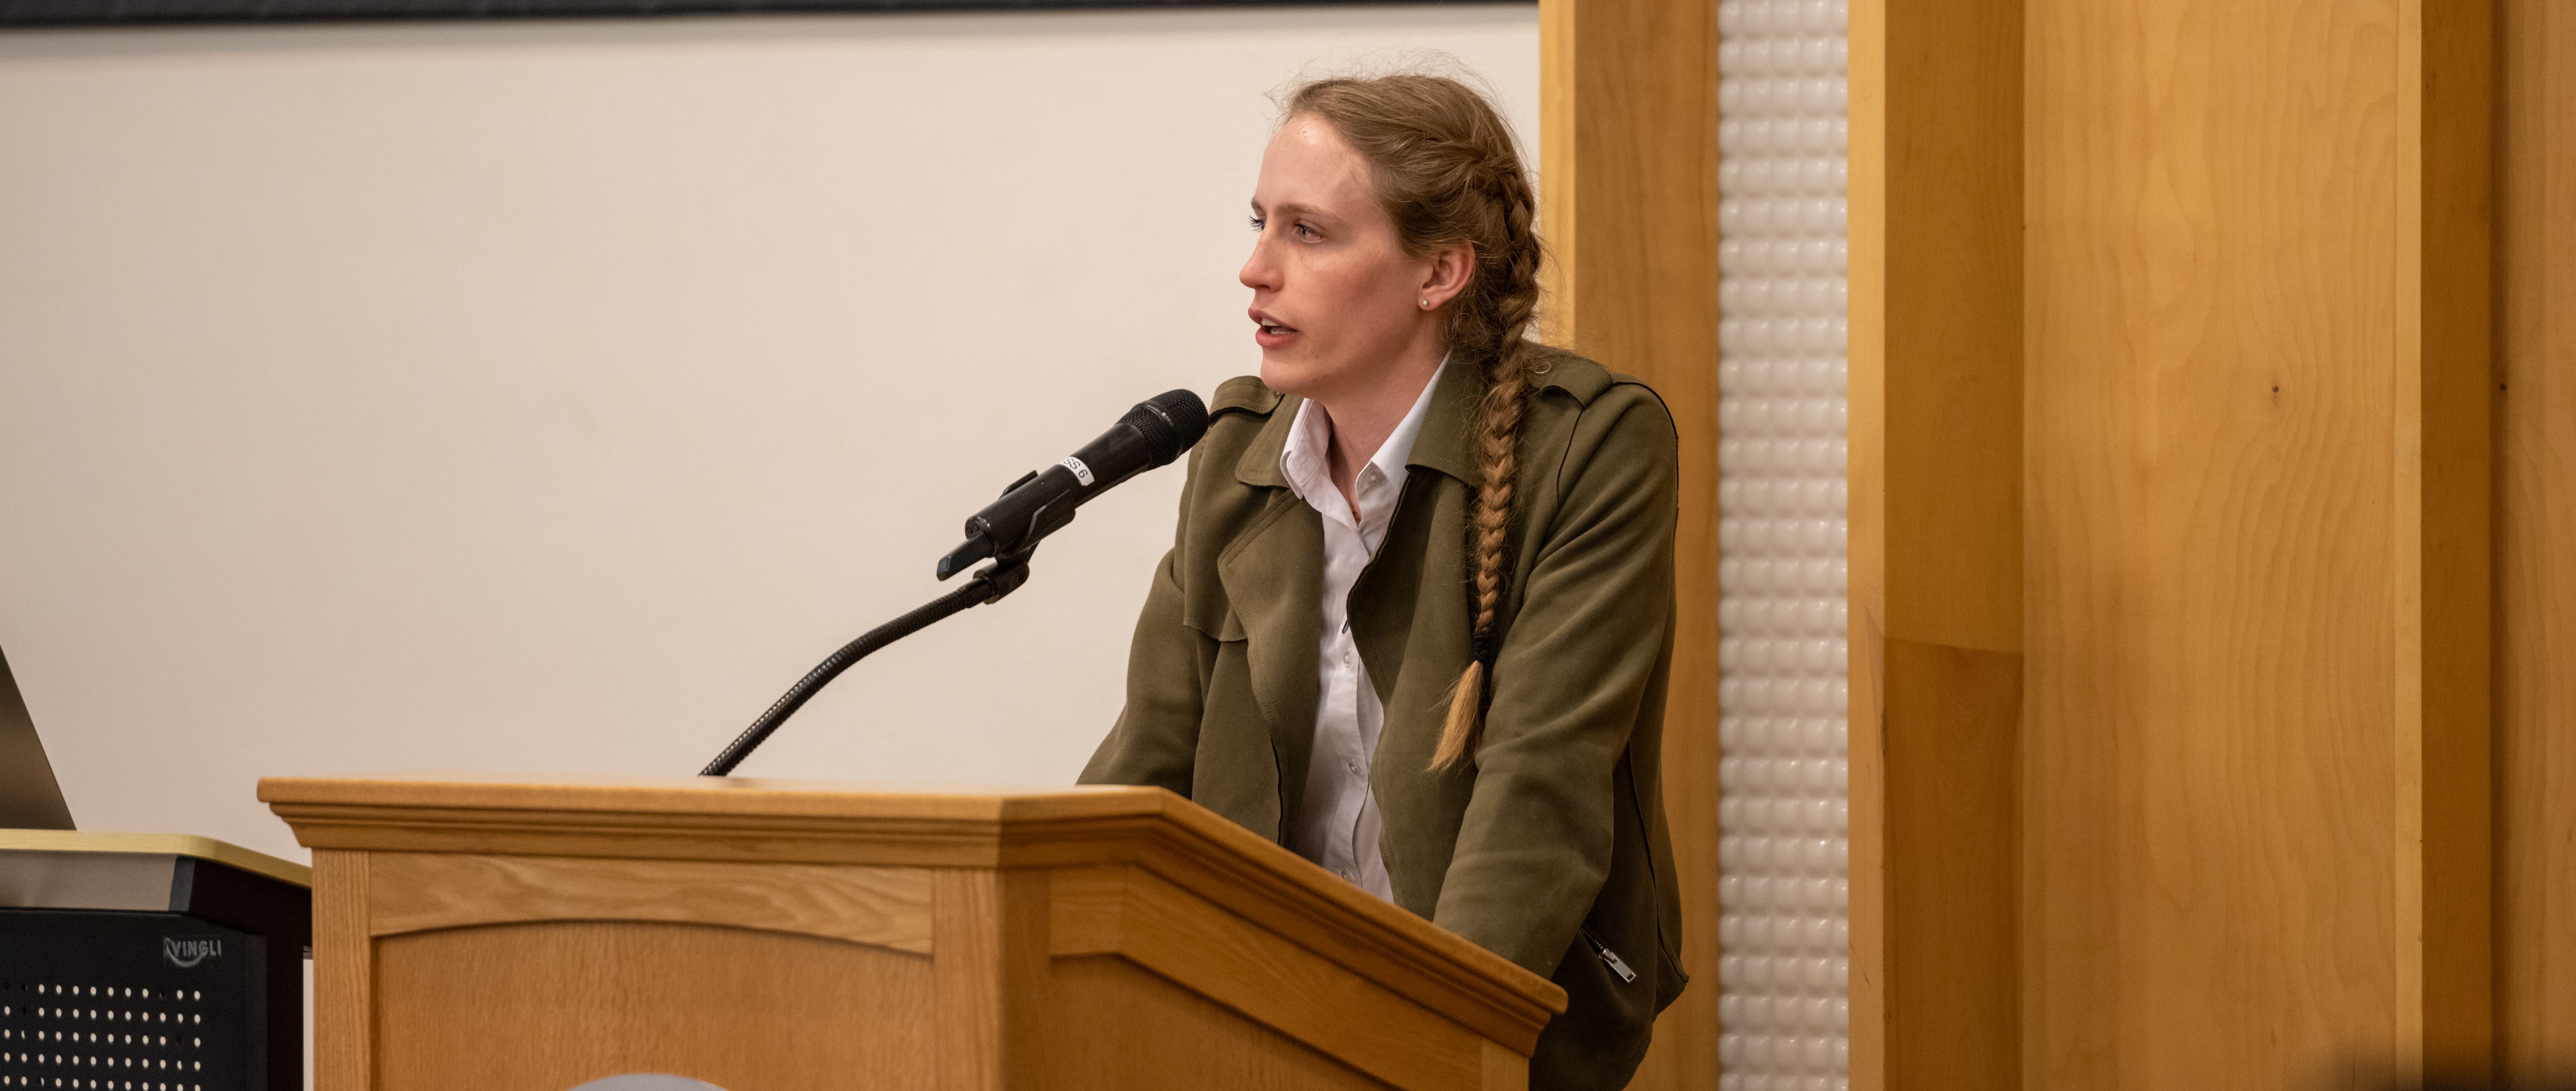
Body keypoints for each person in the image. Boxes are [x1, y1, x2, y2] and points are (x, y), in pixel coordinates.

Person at [1078, 70, 1685, 1089]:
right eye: (1261, 223)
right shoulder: (1233, 458)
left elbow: (1540, 795)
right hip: (1246, 1032)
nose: (1254, 269)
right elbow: (1146, 777)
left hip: (1484, 1038)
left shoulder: (1590, 447)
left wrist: (1426, 1056)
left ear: (1439, 271)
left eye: (1308, 233)